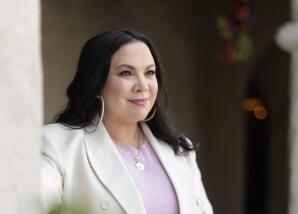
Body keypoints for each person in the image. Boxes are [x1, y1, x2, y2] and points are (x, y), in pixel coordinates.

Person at [41, 29, 213, 214]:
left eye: (149, 72)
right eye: (126, 73)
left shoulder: (180, 150)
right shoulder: (56, 145)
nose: (143, 85)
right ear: (96, 81)